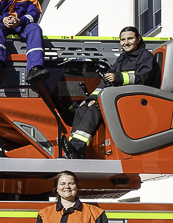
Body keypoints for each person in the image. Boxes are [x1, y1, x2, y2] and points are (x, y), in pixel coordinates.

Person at [67, 26, 160, 158]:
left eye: (130, 39)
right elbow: (105, 82)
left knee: (97, 107)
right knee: (82, 108)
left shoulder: (145, 56)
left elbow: (143, 78)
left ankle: (77, 149)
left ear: (138, 39)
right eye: (122, 40)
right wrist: (92, 98)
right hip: (119, 97)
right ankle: (72, 147)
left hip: (135, 99)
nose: (126, 43)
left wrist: (119, 78)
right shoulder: (122, 58)